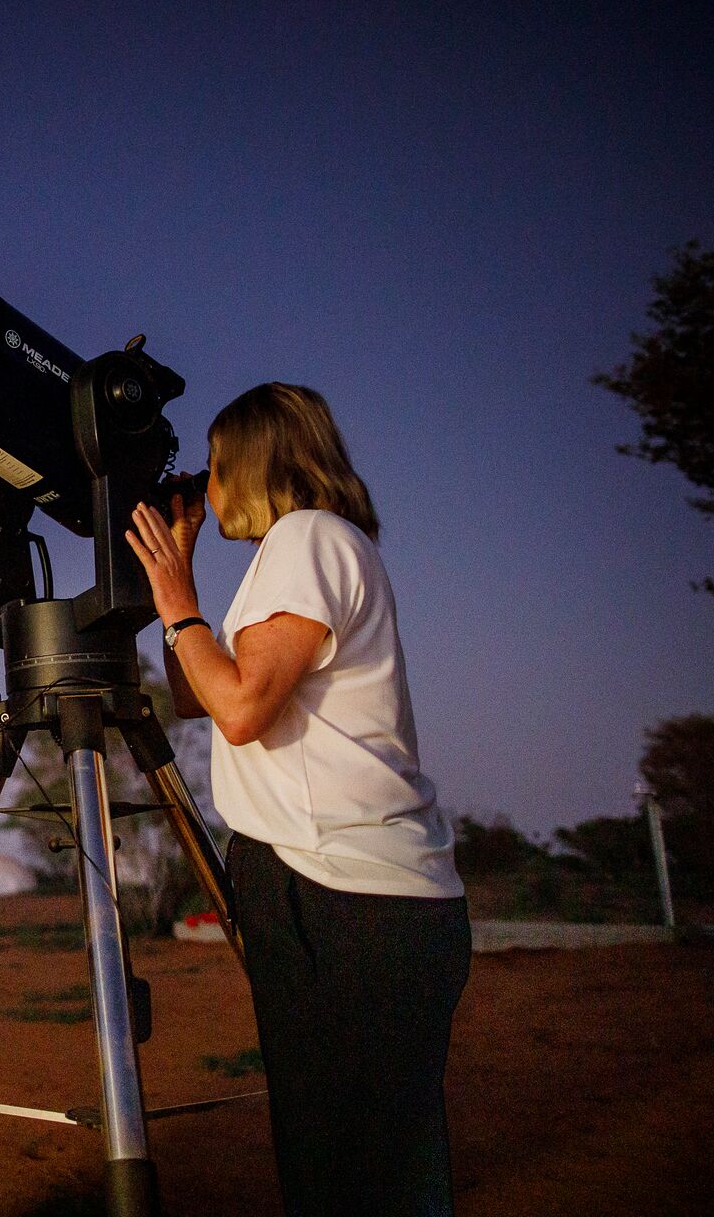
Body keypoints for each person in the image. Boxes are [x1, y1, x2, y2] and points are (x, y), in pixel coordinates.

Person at [126, 382, 469, 1217]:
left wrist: (177, 604)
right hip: (337, 885)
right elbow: (196, 694)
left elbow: (240, 709)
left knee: (357, 1170)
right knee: (343, 1159)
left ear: (254, 465)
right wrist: (180, 583)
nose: (205, 486)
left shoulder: (307, 537)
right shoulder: (304, 550)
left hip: (348, 895)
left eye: (214, 467)